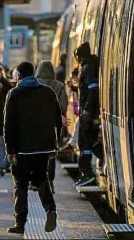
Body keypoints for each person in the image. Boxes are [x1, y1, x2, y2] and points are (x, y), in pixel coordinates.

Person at [4, 62, 62, 235]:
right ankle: (50, 209)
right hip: (43, 148)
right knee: (41, 180)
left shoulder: (14, 93)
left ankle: (20, 223)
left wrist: (10, 149)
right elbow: (57, 119)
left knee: (20, 186)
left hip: (21, 149)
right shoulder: (48, 92)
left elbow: (9, 125)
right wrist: (53, 143)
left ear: (19, 75)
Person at [35, 60, 68, 194]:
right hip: (52, 125)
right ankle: (50, 182)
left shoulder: (35, 83)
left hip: (35, 123)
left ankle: (37, 181)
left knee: (36, 152)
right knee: (50, 153)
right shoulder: (58, 85)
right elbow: (63, 104)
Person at [74, 42, 101, 187]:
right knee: (86, 141)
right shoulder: (90, 65)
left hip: (89, 113)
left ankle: (86, 172)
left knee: (85, 141)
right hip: (90, 112)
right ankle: (85, 170)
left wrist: (87, 110)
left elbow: (92, 90)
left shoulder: (88, 67)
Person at [0, 64, 12, 173]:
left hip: (5, 118)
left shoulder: (7, 86)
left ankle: (2, 165)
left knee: (3, 144)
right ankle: (0, 165)